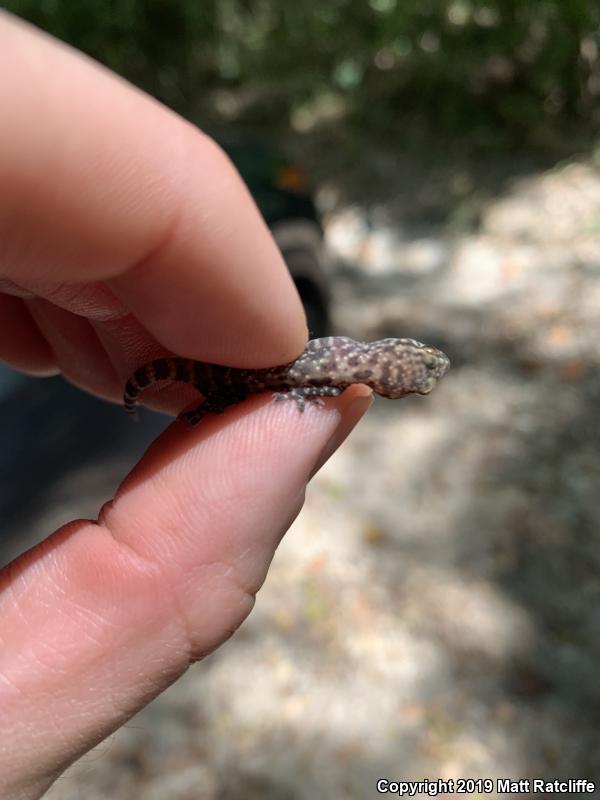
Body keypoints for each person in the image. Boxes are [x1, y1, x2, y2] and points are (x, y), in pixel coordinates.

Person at [0, 12, 372, 799]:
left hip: (264, 371)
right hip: (256, 373)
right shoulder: (338, 368)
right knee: (238, 385)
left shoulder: (348, 367)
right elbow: (308, 369)